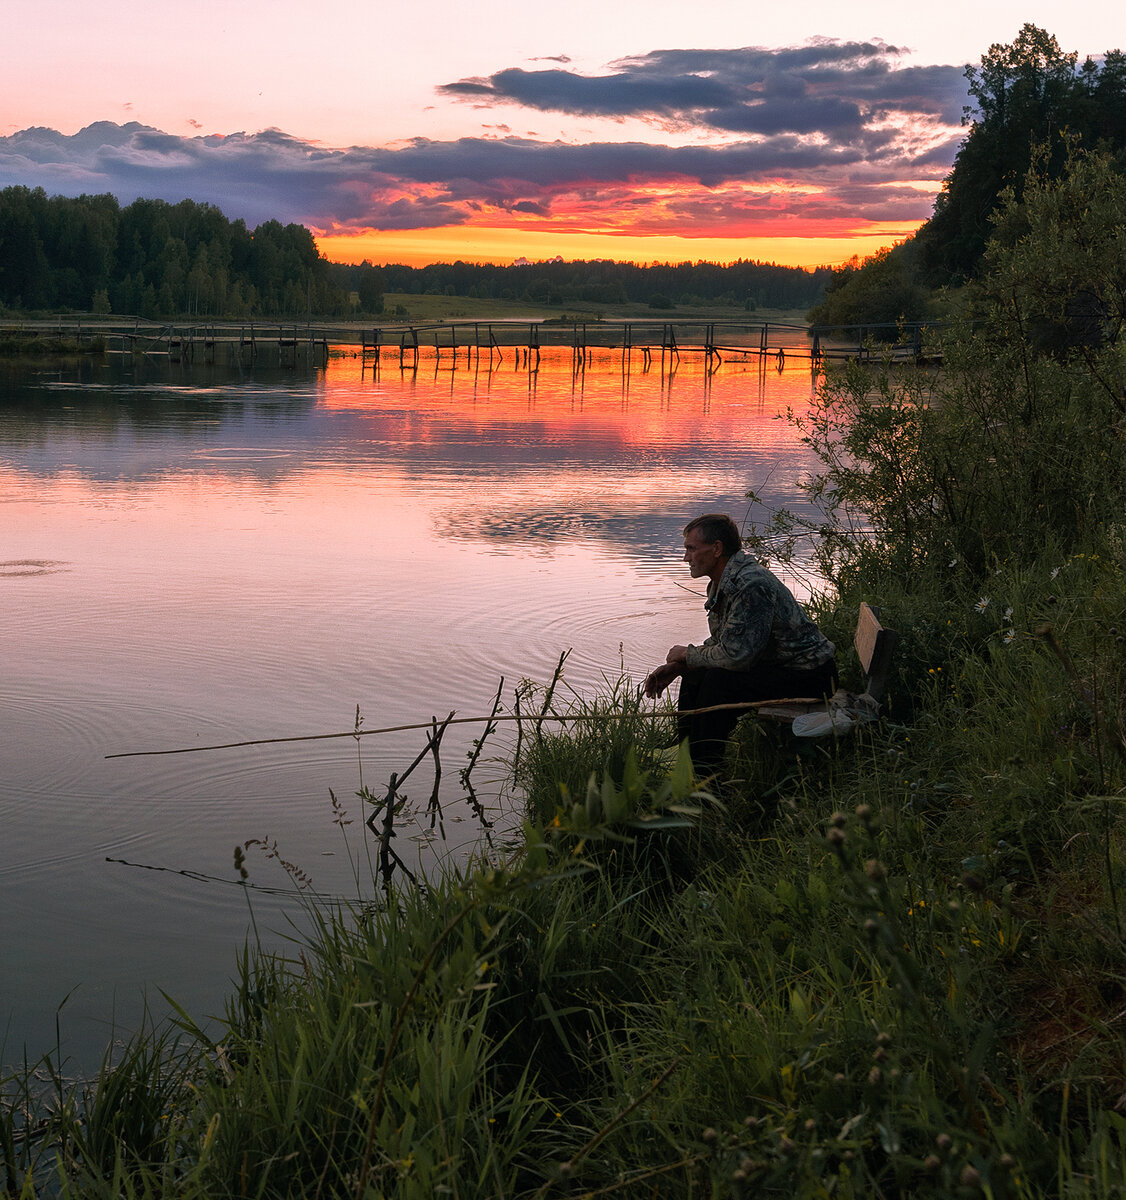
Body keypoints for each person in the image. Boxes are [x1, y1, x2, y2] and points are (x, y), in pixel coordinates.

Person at [643, 514, 837, 767]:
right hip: (781, 667)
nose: (685, 558)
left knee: (719, 682)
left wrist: (687, 655)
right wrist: (683, 666)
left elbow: (737, 656)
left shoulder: (749, 585)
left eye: (691, 549)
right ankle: (686, 755)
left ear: (716, 549)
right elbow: (727, 642)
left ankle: (705, 773)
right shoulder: (722, 582)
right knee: (698, 674)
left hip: (811, 675)